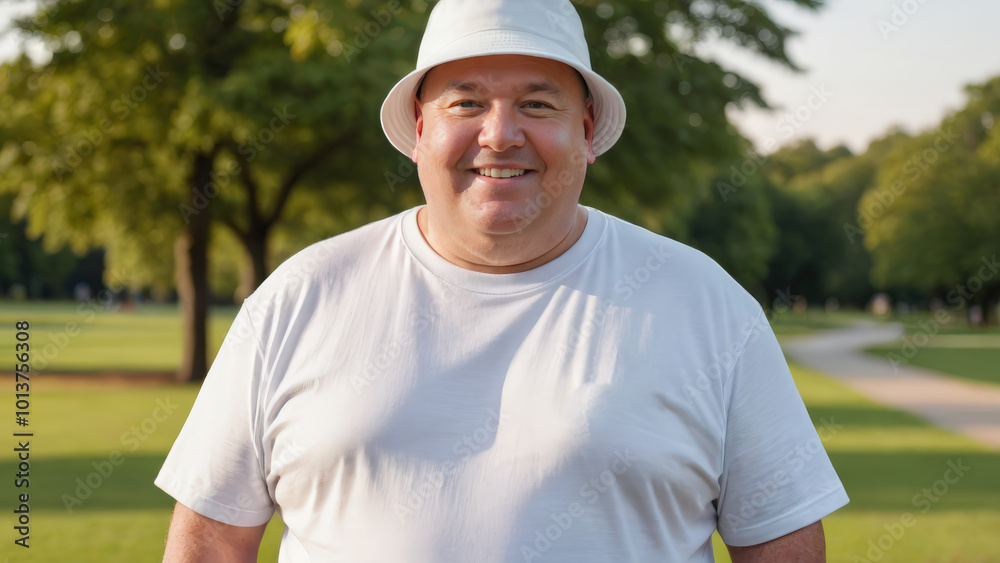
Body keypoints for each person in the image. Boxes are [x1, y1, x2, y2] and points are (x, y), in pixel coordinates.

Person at [156, 0, 849, 561]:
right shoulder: (300, 296)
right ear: (420, 128)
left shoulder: (706, 306)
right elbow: (211, 540)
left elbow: (782, 544)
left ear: (586, 129)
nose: (500, 134)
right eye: (466, 103)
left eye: (538, 105)